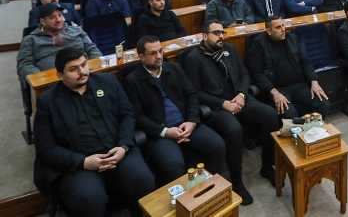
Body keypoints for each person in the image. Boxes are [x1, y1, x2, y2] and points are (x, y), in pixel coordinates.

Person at [33, 47, 154, 217]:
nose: (82, 71)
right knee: (88, 198)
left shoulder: (108, 81)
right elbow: (45, 149)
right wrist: (83, 162)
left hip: (117, 150)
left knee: (142, 180)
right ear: (60, 75)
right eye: (73, 69)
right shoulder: (47, 102)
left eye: (84, 64)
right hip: (81, 162)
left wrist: (123, 146)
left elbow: (127, 115)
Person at [184, 20, 279, 195]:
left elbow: (244, 74)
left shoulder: (230, 49)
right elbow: (195, 93)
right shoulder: (193, 59)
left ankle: (267, 166)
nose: (221, 36)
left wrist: (242, 94)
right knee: (234, 130)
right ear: (204, 36)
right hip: (217, 107)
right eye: (216, 33)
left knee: (271, 115)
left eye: (222, 33)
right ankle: (237, 182)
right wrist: (224, 104)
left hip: (239, 98)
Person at [123, 37, 227, 195]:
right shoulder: (132, 80)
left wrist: (191, 121)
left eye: (160, 51)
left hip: (186, 124)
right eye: (153, 53)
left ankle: (210, 191)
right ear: (141, 57)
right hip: (160, 133)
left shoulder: (174, 68)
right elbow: (137, 117)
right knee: (173, 165)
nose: (159, 56)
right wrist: (165, 132)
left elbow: (191, 95)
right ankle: (185, 200)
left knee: (218, 145)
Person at [248, 16, 330, 119]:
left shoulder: (292, 38)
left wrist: (314, 82)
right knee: (289, 115)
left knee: (323, 104)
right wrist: (274, 93)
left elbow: (305, 62)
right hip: (277, 89)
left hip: (299, 85)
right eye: (278, 27)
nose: (283, 30)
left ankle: (314, 128)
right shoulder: (259, 43)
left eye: (283, 25)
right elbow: (257, 73)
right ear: (269, 31)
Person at [17, 3, 102, 87]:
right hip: (52, 84)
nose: (58, 20)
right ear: (43, 21)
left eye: (60, 15)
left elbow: (92, 49)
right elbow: (24, 65)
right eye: (52, 17)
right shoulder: (30, 40)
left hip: (85, 75)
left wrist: (96, 68)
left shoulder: (77, 31)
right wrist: (42, 79)